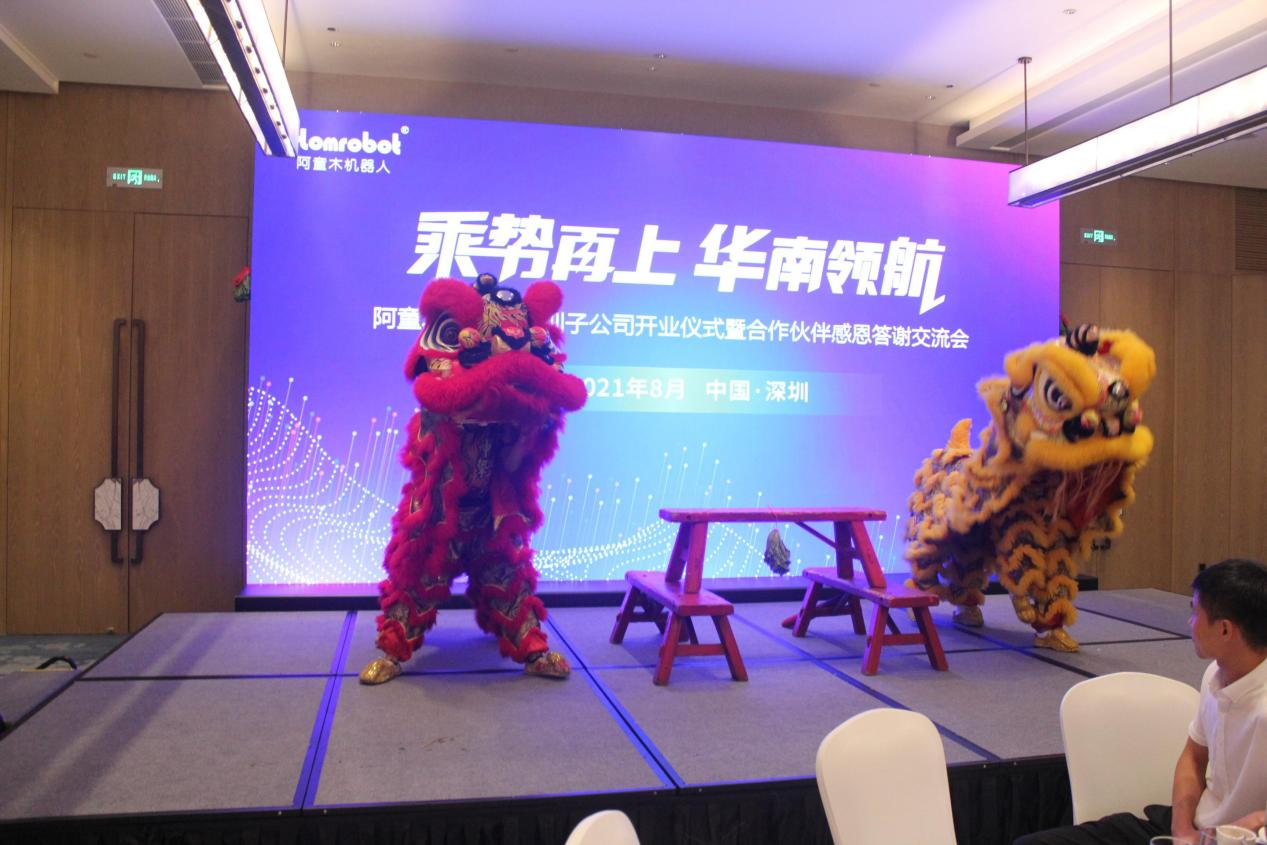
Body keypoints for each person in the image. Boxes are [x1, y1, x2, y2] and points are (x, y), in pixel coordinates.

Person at [1014, 558, 1267, 845]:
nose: (1190, 622)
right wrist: (1182, 829)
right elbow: (1193, 757)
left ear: (1225, 630)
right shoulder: (1215, 673)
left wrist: (1253, 822)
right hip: (1195, 828)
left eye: (1196, 613)